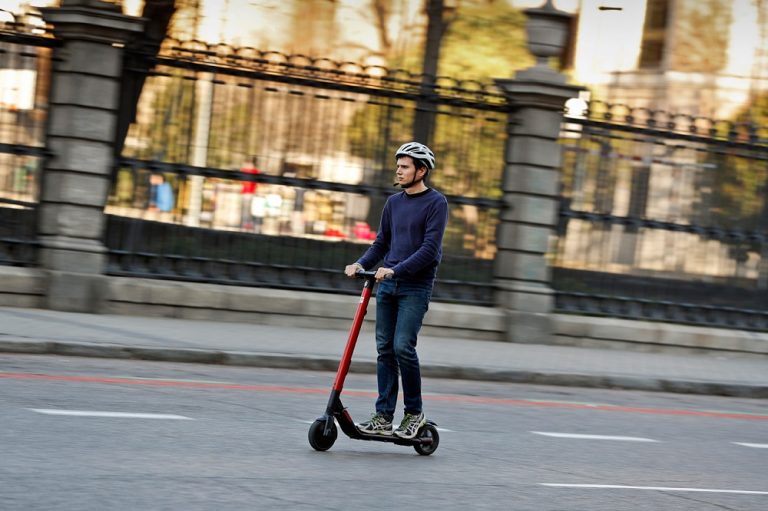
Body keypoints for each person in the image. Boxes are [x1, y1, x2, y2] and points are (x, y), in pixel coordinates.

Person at [344, 141, 448, 439]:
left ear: (421, 170)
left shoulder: (436, 203)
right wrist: (360, 263)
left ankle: (414, 414)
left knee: (403, 346)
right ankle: (383, 416)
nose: (398, 171)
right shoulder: (393, 203)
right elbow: (382, 242)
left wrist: (396, 269)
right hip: (387, 285)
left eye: (404, 166)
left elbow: (430, 250)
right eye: (398, 166)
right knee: (385, 350)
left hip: (414, 286)